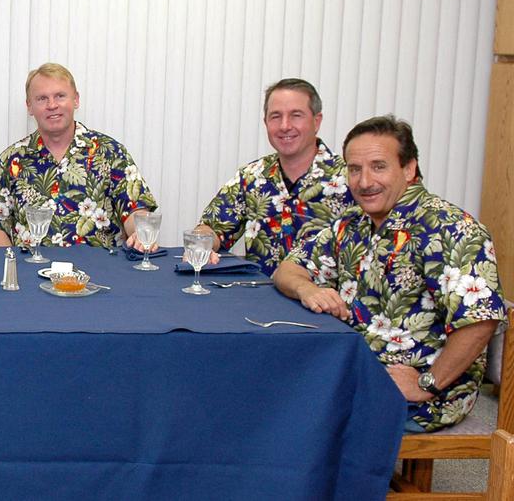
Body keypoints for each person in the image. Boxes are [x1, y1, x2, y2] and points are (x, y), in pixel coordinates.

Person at [275, 116, 505, 431]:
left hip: (421, 391)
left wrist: (428, 383)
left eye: (378, 166)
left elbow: (481, 321)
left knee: (289, 417)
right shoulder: (352, 222)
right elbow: (287, 269)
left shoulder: (451, 228)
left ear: (409, 169)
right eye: (355, 169)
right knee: (267, 384)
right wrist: (308, 290)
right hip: (353, 369)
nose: (364, 181)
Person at [0, 62, 157, 248]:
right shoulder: (10, 161)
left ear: (76, 100)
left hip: (100, 273)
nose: (52, 105)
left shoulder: (111, 153)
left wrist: (142, 233)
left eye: (60, 96)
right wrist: (11, 270)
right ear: (29, 106)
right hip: (30, 272)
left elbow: (135, 210)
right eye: (42, 98)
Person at [196, 78, 353, 275]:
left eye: (296, 115)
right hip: (258, 300)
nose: (285, 126)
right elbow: (211, 228)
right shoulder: (252, 176)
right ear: (266, 123)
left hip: (321, 302)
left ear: (316, 121)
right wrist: (202, 245)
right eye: (276, 117)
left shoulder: (350, 179)